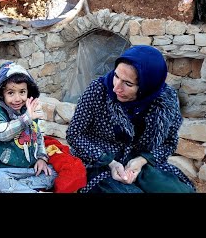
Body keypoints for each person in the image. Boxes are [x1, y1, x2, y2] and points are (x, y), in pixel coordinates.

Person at [66, 45, 195, 193]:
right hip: (98, 161)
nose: (116, 88)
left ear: (147, 86)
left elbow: (169, 143)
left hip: (142, 164)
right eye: (116, 76)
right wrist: (110, 162)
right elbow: (74, 134)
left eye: (128, 84)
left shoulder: (165, 100)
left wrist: (141, 161)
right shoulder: (98, 90)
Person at [0, 62, 57, 193]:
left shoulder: (29, 110)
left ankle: (19, 187)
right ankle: (26, 188)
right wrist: (26, 119)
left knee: (52, 174)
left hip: (30, 168)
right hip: (5, 169)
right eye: (11, 93)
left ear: (28, 92)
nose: (17, 98)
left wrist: (42, 158)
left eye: (22, 92)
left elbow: (38, 136)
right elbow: (2, 133)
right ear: (2, 95)